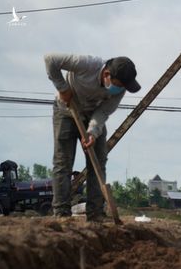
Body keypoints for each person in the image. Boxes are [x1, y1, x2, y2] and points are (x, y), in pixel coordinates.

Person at [44, 53, 140, 221]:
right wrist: (63, 88)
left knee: (98, 162)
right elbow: (50, 60)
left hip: (92, 115)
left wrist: (93, 132)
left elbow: (103, 111)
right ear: (106, 75)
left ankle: (95, 214)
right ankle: (61, 214)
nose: (121, 88)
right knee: (63, 163)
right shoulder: (87, 64)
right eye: (119, 84)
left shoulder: (120, 89)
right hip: (66, 111)